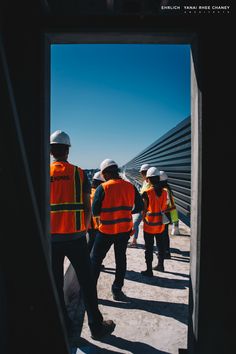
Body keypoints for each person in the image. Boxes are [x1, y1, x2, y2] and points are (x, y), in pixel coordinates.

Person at [50, 130, 115, 340]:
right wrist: (84, 230)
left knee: (56, 284)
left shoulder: (44, 173)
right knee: (87, 283)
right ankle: (96, 326)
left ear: (51, 151)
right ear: (67, 150)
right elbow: (88, 207)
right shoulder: (79, 174)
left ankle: (63, 325)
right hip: (76, 238)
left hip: (51, 240)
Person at [90, 158, 144, 301]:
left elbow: (94, 211)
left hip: (106, 230)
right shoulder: (130, 186)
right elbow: (139, 207)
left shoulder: (103, 188)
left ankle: (90, 292)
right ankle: (117, 289)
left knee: (95, 260)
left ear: (106, 173)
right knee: (121, 259)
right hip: (124, 230)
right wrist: (126, 211)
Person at [141, 167, 168, 276]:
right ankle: (161, 265)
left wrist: (144, 219)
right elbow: (164, 207)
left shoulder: (147, 193)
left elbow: (144, 209)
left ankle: (149, 270)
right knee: (161, 246)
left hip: (149, 225)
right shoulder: (165, 192)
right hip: (160, 225)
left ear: (148, 179)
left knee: (149, 248)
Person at [153, 170, 179, 263]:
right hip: (165, 214)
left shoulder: (165, 190)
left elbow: (172, 206)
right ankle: (165, 252)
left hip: (165, 214)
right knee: (163, 234)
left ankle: (166, 253)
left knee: (163, 234)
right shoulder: (166, 188)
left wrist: (162, 211)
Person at [129, 163, 151, 247]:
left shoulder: (152, 182)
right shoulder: (145, 182)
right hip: (141, 207)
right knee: (135, 224)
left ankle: (137, 241)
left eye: (143, 173)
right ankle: (134, 241)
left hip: (146, 208)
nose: (141, 174)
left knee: (139, 225)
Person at [87, 171, 105, 254]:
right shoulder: (98, 193)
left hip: (89, 222)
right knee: (93, 243)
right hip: (95, 223)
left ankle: (88, 260)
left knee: (92, 242)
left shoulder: (90, 191)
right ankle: (90, 261)